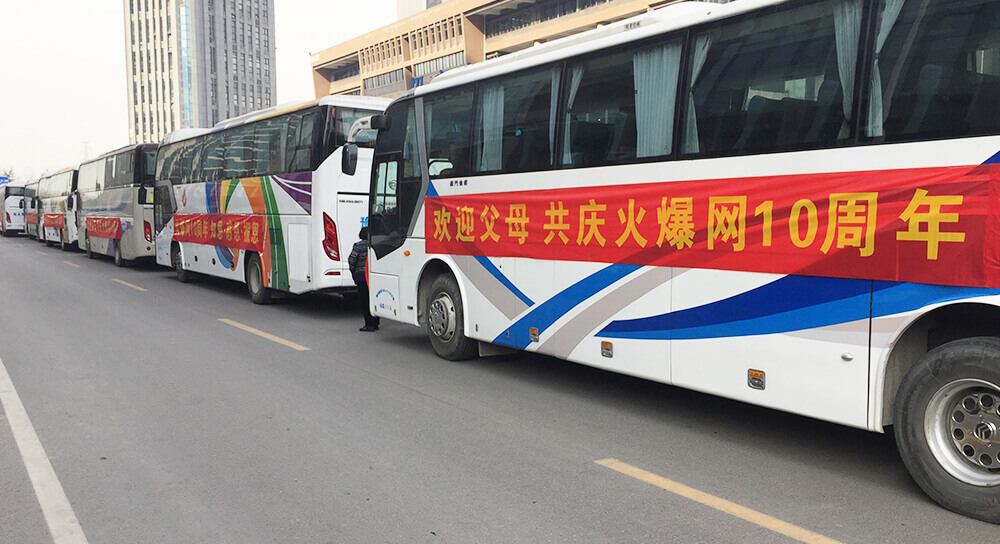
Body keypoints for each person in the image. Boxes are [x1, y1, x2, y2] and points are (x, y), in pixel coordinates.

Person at [349, 227, 379, 332]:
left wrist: (353, 272)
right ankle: (376, 322)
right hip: (374, 276)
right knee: (374, 299)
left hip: (361, 276)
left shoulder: (358, 246)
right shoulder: (375, 244)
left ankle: (369, 324)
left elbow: (352, 260)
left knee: (365, 301)